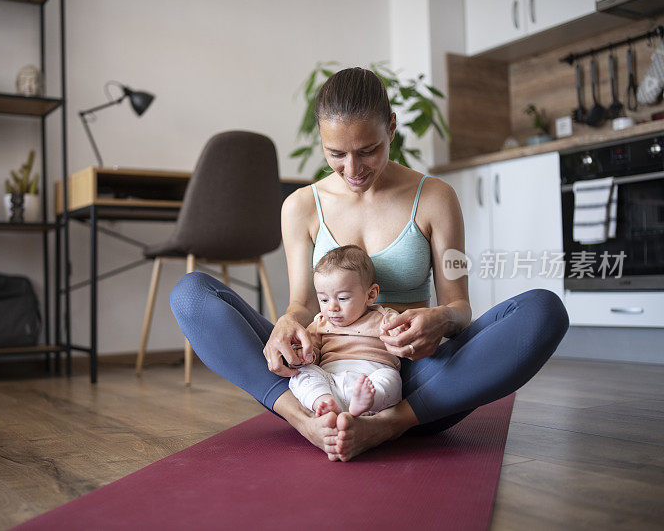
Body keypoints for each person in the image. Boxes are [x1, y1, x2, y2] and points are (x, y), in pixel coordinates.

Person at [170, 66, 569, 462]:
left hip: (411, 381)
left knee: (543, 309)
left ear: (391, 128)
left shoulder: (436, 198)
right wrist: (288, 323)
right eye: (336, 155)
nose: (353, 170)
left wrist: (440, 320)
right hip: (318, 375)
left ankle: (388, 424)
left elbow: (460, 309)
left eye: (368, 151)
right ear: (321, 141)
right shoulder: (300, 207)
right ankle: (305, 421)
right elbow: (302, 305)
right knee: (191, 294)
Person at [289, 245, 405, 418]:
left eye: (342, 298)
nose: (332, 307)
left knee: (391, 379)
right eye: (324, 299)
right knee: (302, 375)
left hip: (371, 378)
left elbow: (404, 338)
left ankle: (368, 402)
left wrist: (402, 332)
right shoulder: (320, 322)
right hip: (331, 380)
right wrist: (303, 354)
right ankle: (325, 402)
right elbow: (311, 351)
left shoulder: (384, 318)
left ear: (370, 295)